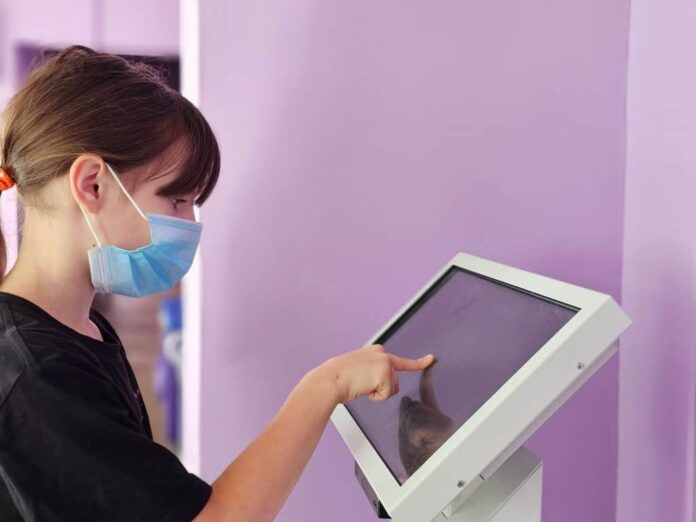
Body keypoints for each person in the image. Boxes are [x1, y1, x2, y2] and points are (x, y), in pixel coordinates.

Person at [0, 45, 434, 522]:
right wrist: (324, 386)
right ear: (92, 185)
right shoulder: (36, 372)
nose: (188, 223)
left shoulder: (85, 330)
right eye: (178, 199)